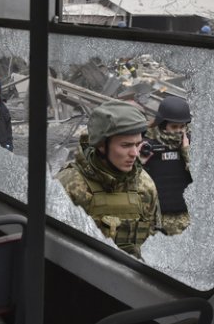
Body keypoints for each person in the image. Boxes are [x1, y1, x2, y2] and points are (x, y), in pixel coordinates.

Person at [56, 99, 161, 258]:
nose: (134, 153)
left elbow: (155, 243)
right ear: (101, 146)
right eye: (126, 145)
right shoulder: (69, 184)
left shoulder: (145, 185)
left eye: (137, 144)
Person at [140, 96, 193, 235]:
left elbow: (203, 179)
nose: (179, 131)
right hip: (155, 222)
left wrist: (186, 151)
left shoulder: (192, 144)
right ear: (163, 124)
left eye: (182, 126)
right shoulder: (146, 143)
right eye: (174, 126)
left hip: (186, 221)